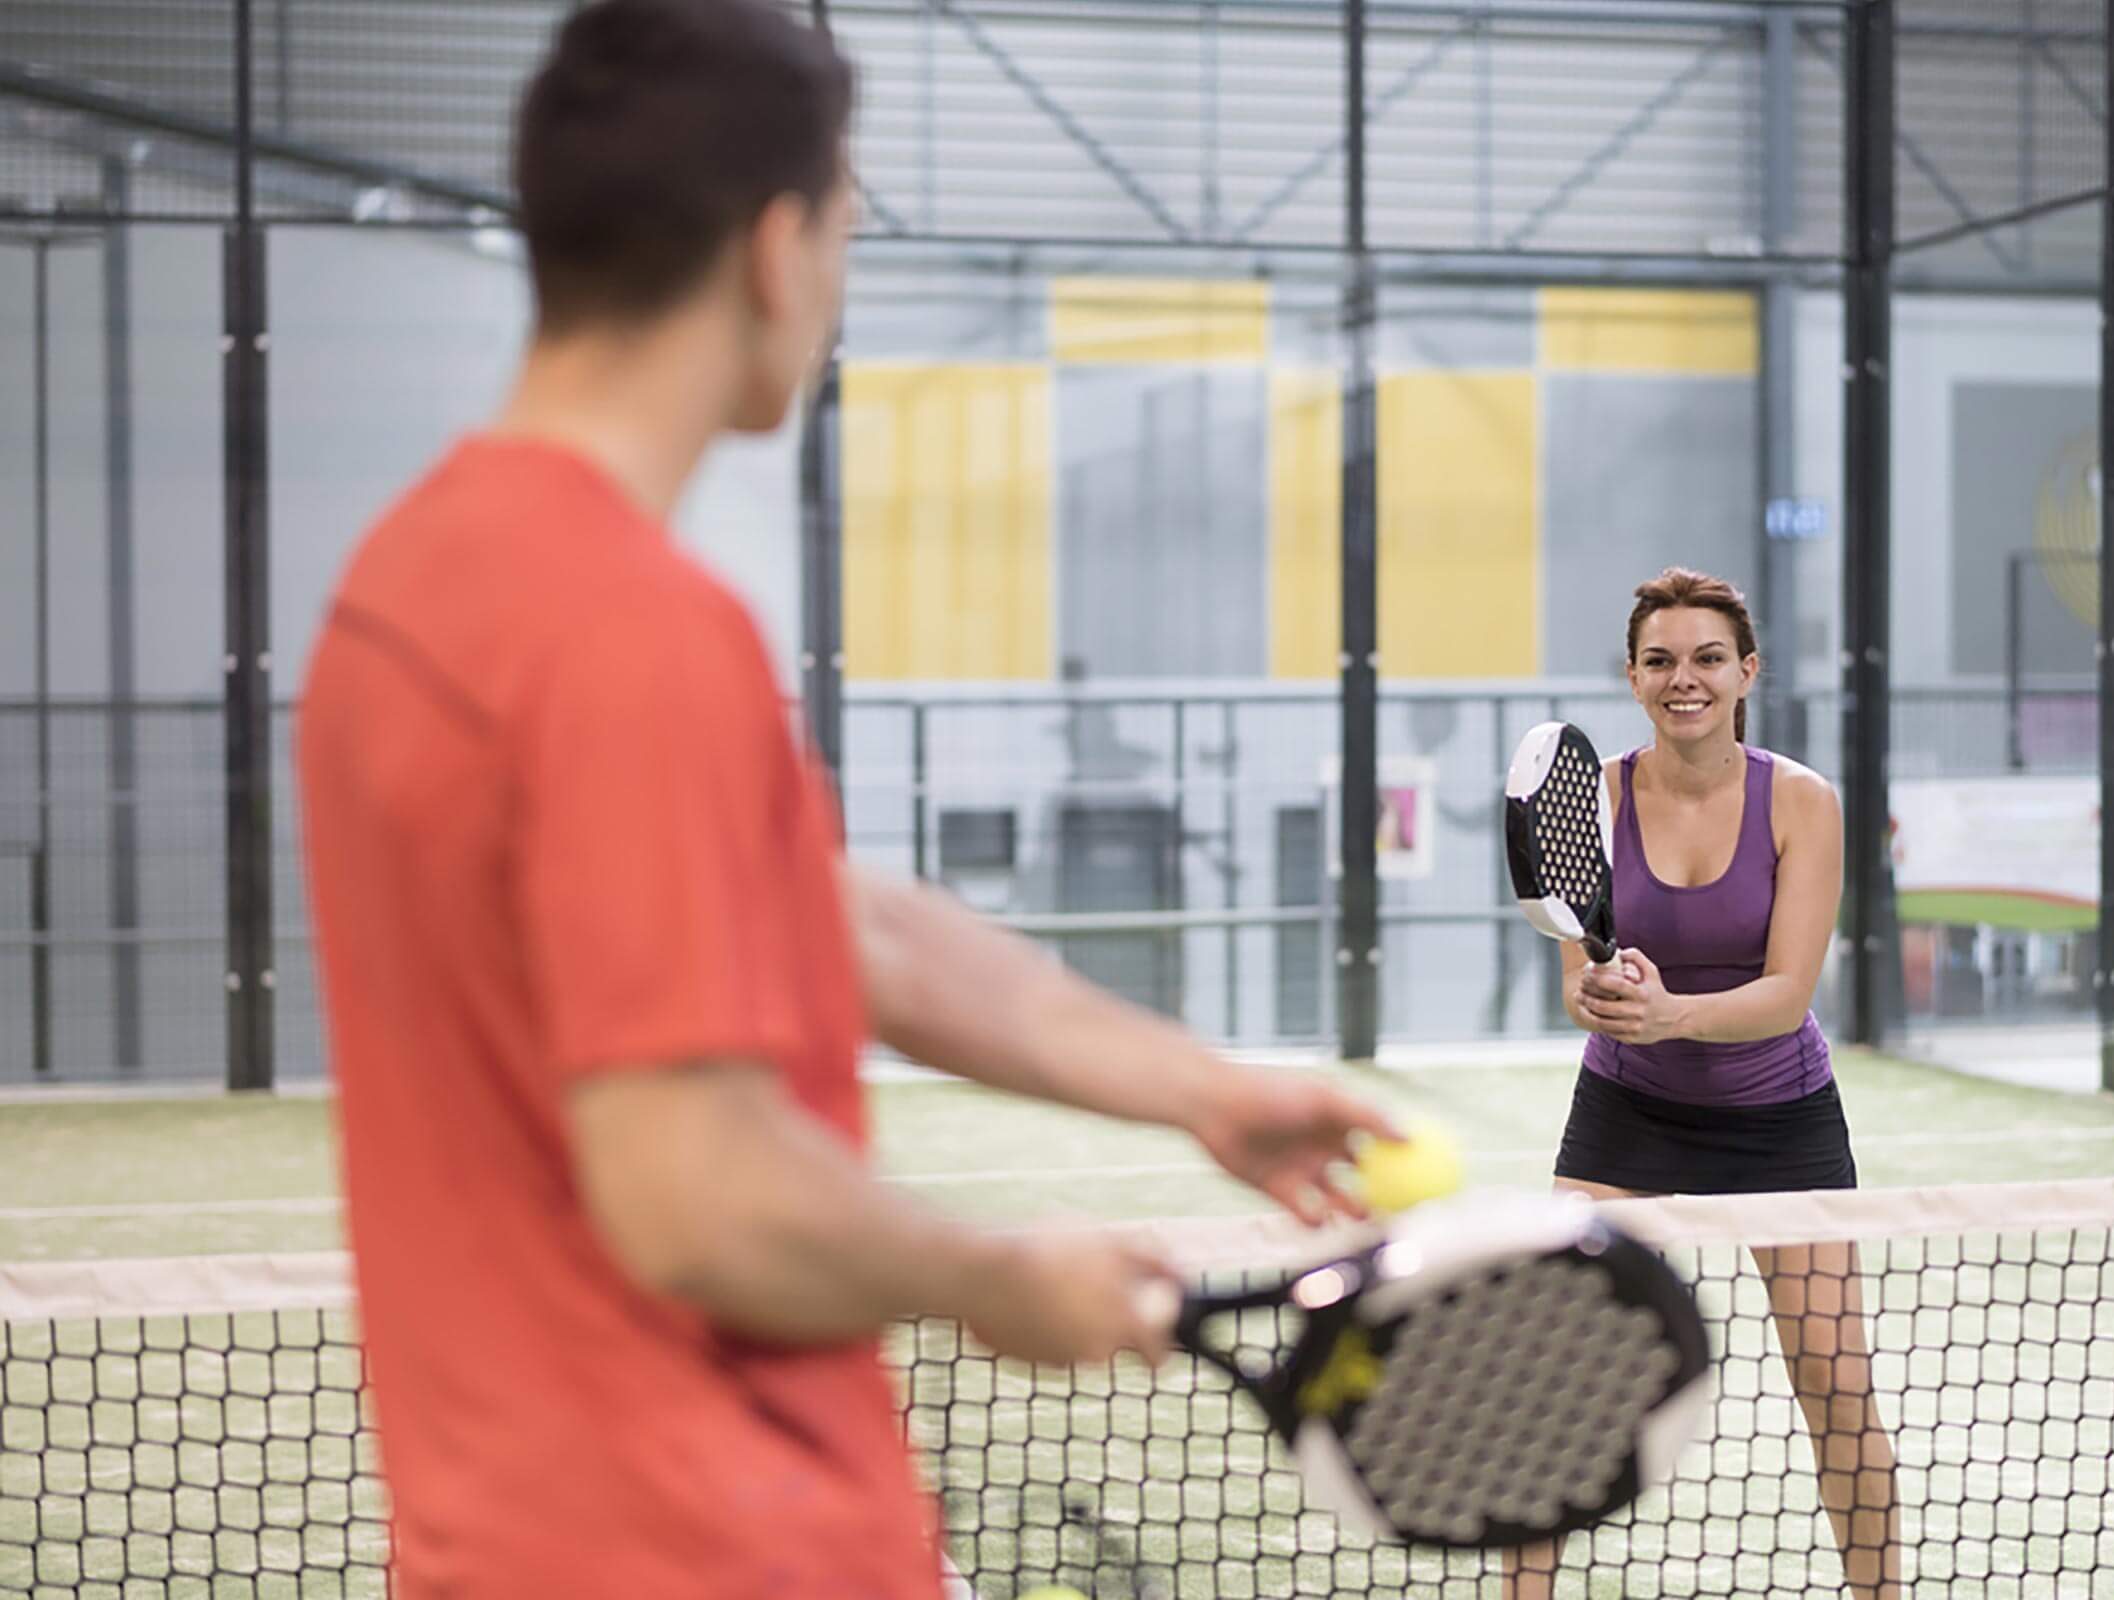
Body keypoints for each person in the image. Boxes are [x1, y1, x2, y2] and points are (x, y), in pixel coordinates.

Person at [293, 4, 1394, 1597]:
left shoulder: (401, 592)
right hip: (718, 1550)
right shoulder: (633, 628)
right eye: (847, 231)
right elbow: (696, 1193)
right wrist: (990, 1278)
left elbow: (829, 917)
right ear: (774, 247)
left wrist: (1194, 1086)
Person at [1508, 568, 1900, 1600]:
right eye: (1662, 660)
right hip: (1626, 1116)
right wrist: (1609, 992)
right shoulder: (1590, 797)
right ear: (1634, 679)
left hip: (1782, 1123)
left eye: (1707, 658)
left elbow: (1785, 993)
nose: (1686, 678)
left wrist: (1675, 1009)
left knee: (1837, 1389)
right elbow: (1576, 985)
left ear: (1747, 671)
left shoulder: (1803, 801)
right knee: (1549, 1383)